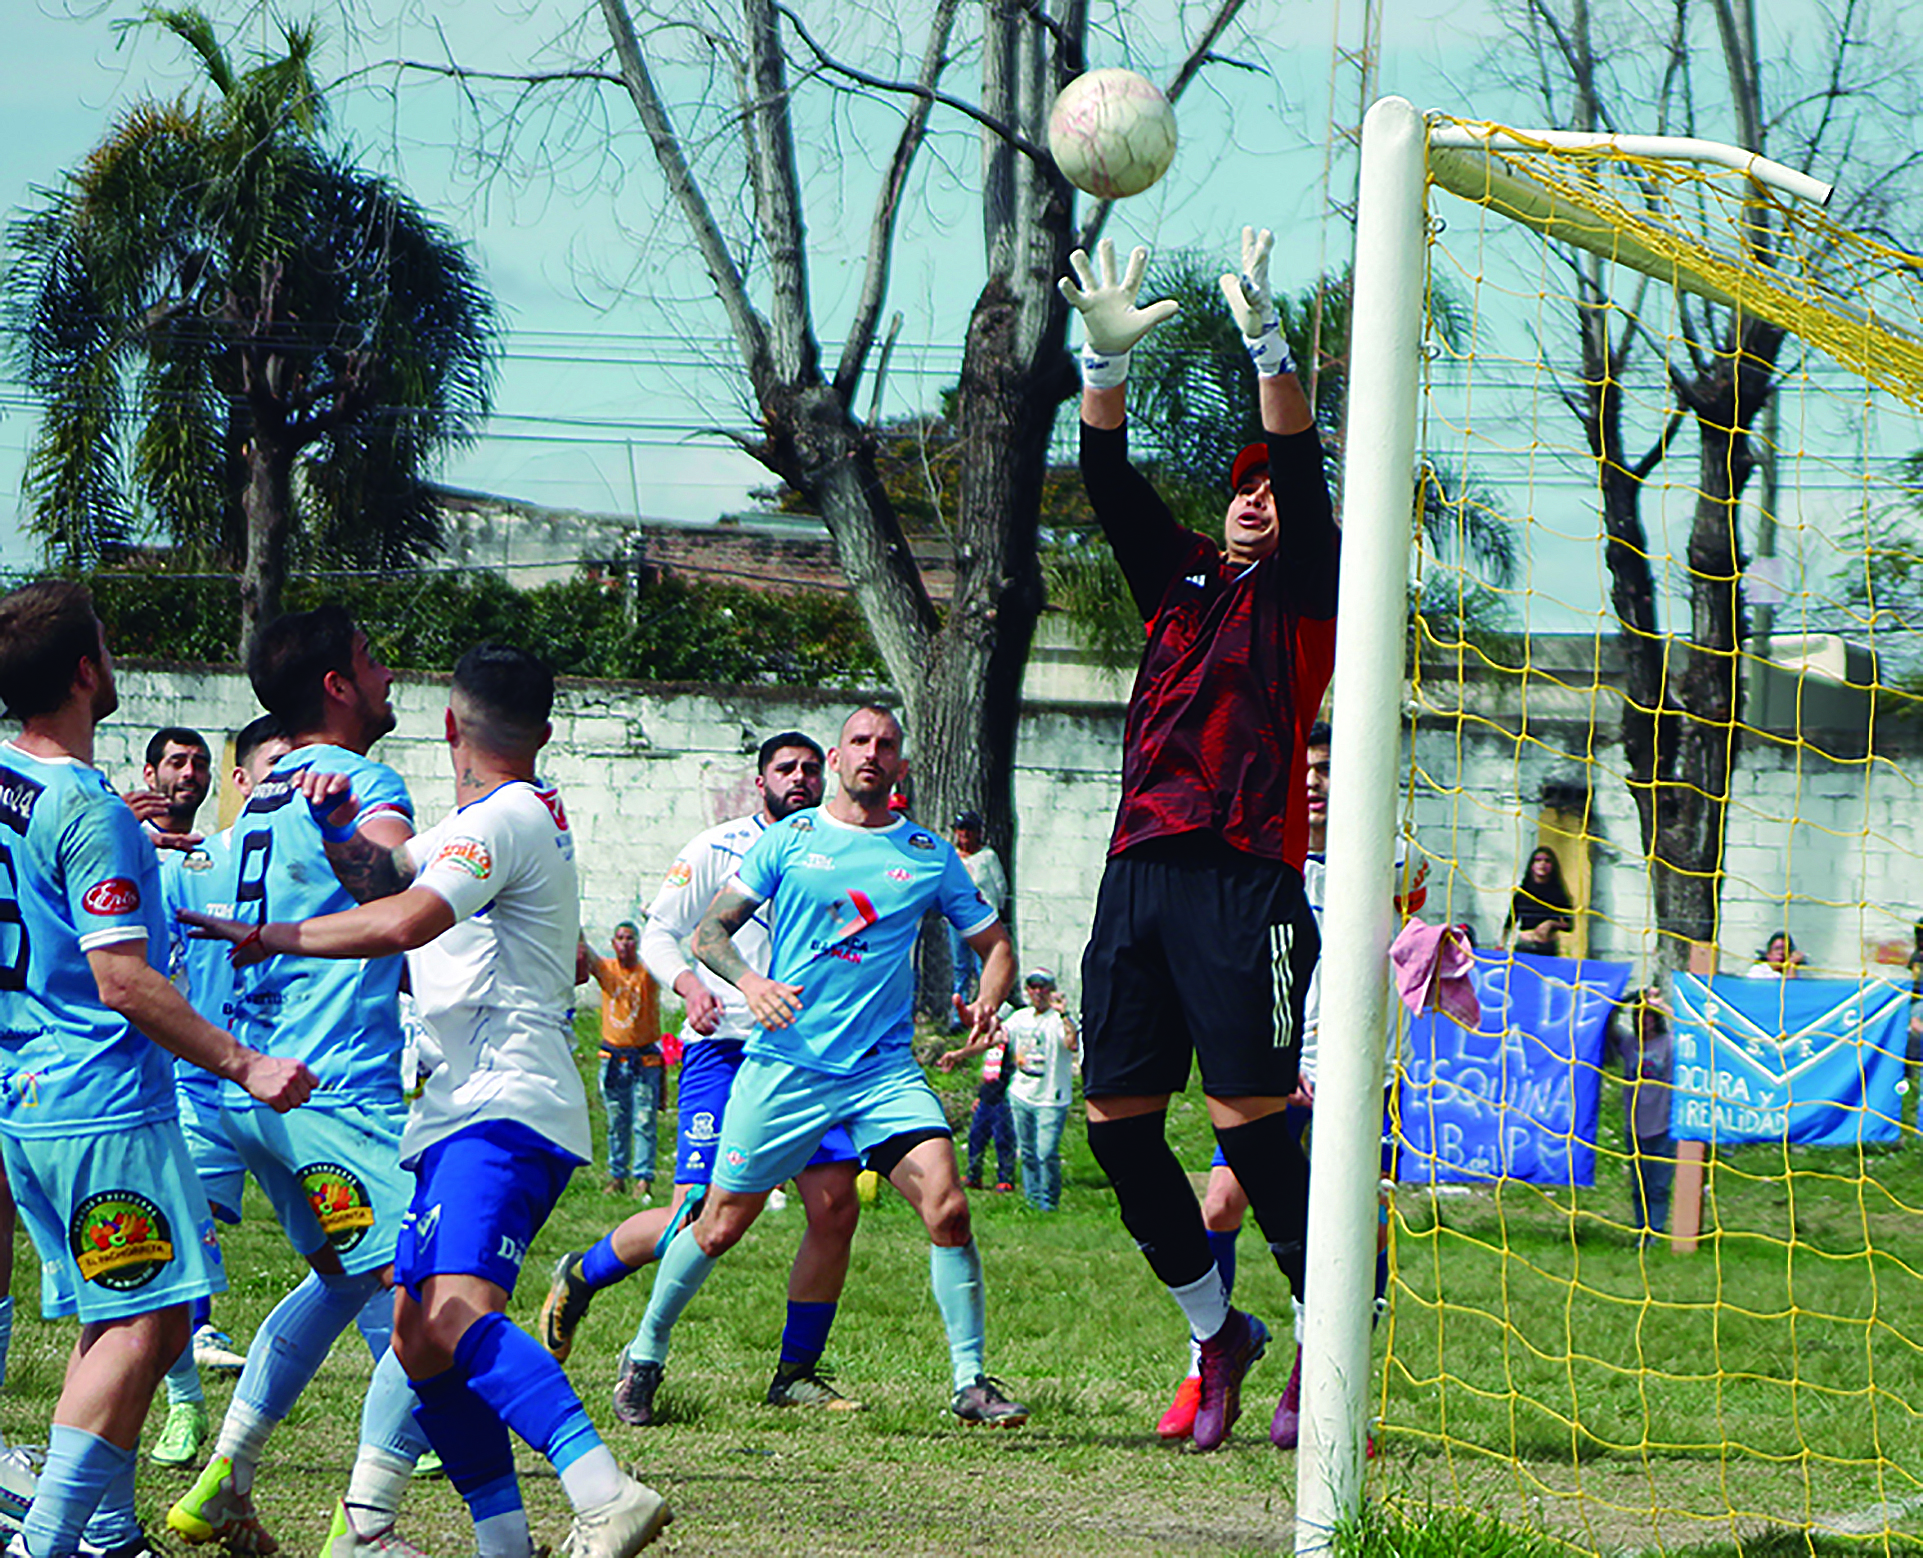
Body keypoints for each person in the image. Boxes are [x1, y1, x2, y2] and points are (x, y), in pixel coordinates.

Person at [183, 643, 671, 1558]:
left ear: (450, 726)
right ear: (547, 730)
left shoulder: (507, 821)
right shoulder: (480, 822)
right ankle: (503, 1543)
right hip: (457, 1112)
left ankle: (602, 1492)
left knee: (450, 1316)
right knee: (416, 1335)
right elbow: (385, 878)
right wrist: (336, 835)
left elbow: (403, 921)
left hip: (504, 1108)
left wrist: (270, 933)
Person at [1058, 227, 1337, 1453]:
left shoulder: (1307, 589)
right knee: (1115, 1122)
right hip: (1139, 876)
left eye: (1271, 485)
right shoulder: (1177, 582)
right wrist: (1102, 368)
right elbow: (1111, 483)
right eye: (1244, 483)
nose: (1256, 495)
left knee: (1247, 1120)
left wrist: (1269, 344)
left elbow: (1296, 451)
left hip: (1246, 882)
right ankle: (1218, 1332)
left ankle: (1337, 1339)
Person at [0, 580, 312, 1558]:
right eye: (105, 639)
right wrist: (244, 1062)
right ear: (86, 670)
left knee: (160, 1315)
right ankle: (51, 1540)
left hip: (34, 1092)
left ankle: (92, 1525)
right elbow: (124, 978)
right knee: (137, 1325)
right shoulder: (89, 807)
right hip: (97, 1099)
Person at [612, 706, 1029, 1430]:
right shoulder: (790, 840)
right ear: (837, 759)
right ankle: (643, 1353)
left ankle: (969, 1382)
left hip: (882, 1073)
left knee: (949, 1207)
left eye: (887, 745)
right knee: (716, 1226)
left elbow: (995, 943)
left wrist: (988, 1000)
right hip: (786, 1068)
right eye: (859, 742)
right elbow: (709, 932)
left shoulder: (928, 854)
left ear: (900, 766)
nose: (872, 753)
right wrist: (750, 985)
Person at [167, 606, 430, 1555]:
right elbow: (385, 881)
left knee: (346, 1279)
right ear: (337, 686)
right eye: (373, 656)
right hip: (333, 1094)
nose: (388, 670)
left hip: (254, 1094)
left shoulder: (256, 797)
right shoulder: (361, 779)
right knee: (433, 1284)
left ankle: (228, 1476)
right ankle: (366, 1524)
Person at [536, 732, 869, 1418]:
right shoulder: (714, 848)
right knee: (699, 1216)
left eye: (811, 767)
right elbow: (660, 934)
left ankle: (795, 1374)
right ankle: (586, 1276)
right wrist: (690, 986)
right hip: (725, 1048)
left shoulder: (844, 849)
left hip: (811, 1056)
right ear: (761, 780)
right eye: (786, 769)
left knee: (835, 1207)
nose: (800, 778)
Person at [146, 717, 292, 1468]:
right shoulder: (166, 862)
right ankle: (184, 1399)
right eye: (275, 767)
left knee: (355, 1252)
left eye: (196, 761)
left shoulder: (282, 860)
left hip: (286, 1079)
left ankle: (414, 1417)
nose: (290, 779)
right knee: (168, 1250)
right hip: (194, 1081)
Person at [588, 923, 663, 1198]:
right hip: (613, 1057)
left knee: (644, 1120)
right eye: (619, 939)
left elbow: (664, 954)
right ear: (612, 942)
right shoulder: (607, 969)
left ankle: (643, 1178)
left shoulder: (647, 972)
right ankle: (616, 1175)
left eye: (630, 939)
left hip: (644, 1058)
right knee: (616, 1119)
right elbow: (585, 952)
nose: (624, 944)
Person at [1002, 970, 1079, 1212]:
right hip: (1021, 1093)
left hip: (1051, 1096)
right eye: (1033, 987)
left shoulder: (1059, 1020)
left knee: (1045, 1152)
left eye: (1043, 987)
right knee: (1026, 1151)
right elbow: (998, 1037)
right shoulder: (1018, 1018)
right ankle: (1031, 1199)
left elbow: (1072, 1044)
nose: (1037, 992)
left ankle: (1049, 1202)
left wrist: (1064, 1013)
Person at [1610, 986, 1676, 1244]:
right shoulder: (1628, 1045)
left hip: (1663, 1124)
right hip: (1634, 1125)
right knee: (1639, 1185)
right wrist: (1627, 998)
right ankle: (1642, 1228)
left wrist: (1660, 1005)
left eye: (1648, 1015)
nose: (1643, 1021)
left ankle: (1656, 1230)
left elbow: (1692, 1028)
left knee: (1659, 1184)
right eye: (1638, 1015)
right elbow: (1607, 1021)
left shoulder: (1670, 1044)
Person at [948, 812, 1008, 1020]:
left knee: (983, 965)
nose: (965, 834)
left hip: (983, 920)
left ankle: (987, 1010)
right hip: (957, 919)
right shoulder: (952, 856)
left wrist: (995, 911)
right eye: (961, 829)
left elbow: (999, 885)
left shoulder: (987, 856)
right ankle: (958, 1014)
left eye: (969, 830)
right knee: (960, 966)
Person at [1505, 846, 1574, 956]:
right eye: (1538, 860)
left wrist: (1551, 924)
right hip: (1525, 945)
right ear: (1532, 866)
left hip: (1548, 948)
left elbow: (1569, 925)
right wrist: (1501, 945)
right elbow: (1510, 922)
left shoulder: (1559, 893)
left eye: (1547, 861)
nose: (1542, 864)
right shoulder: (1523, 893)